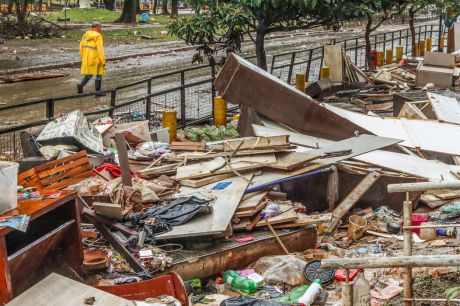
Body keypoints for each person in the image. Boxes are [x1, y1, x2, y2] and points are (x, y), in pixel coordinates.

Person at [78, 22, 106, 95]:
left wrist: (83, 57)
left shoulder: (85, 35)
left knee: (89, 74)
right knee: (99, 73)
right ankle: (97, 92)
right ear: (97, 27)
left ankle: (80, 85)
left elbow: (81, 47)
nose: (100, 29)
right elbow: (100, 49)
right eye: (100, 27)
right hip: (96, 57)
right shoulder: (98, 36)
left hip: (87, 57)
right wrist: (103, 60)